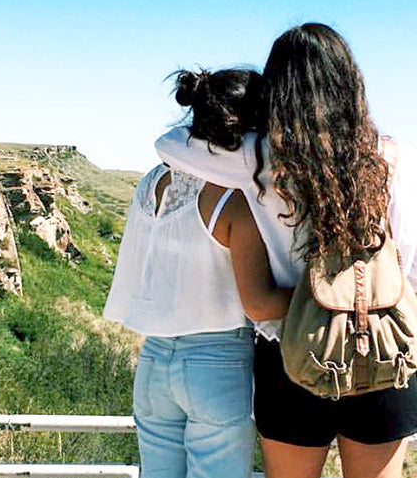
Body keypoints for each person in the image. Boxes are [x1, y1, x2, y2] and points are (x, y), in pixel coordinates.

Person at [156, 23, 417, 478]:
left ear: (277, 89)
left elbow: (168, 145)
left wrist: (252, 118)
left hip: (290, 354)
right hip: (379, 349)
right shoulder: (397, 159)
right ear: (351, 83)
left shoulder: (258, 158)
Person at [103, 68, 291, 478]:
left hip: (153, 360)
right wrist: (317, 296)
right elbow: (258, 304)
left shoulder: (153, 182)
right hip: (217, 361)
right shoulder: (233, 201)